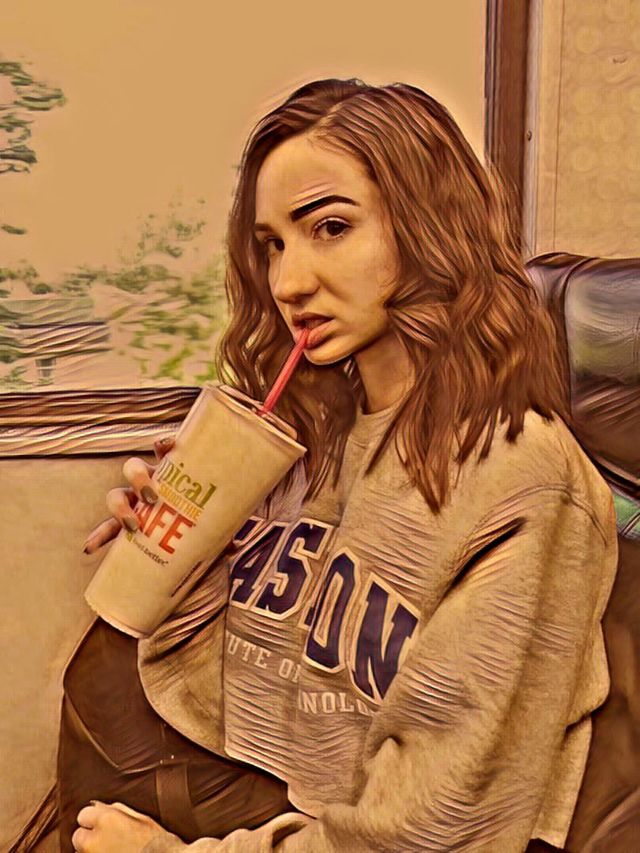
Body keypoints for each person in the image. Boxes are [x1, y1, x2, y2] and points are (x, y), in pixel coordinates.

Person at [65, 79, 617, 852]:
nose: (288, 284)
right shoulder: (312, 427)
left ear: (428, 226)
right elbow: (256, 657)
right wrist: (187, 558)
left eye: (330, 227)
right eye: (273, 245)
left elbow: (430, 831)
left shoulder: (520, 479)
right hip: (194, 765)